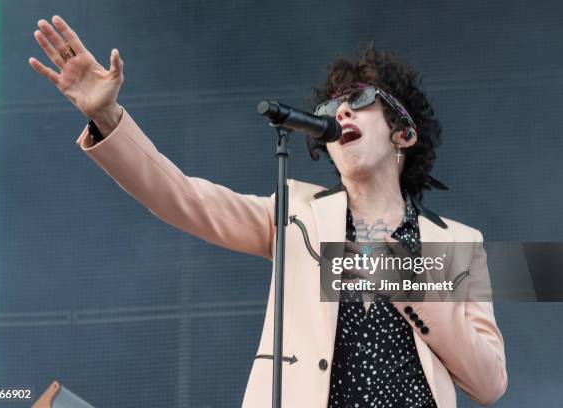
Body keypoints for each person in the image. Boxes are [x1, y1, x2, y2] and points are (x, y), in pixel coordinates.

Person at [29, 15, 507, 408]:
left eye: (359, 100)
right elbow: (181, 198)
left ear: (403, 132)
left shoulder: (458, 245)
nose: (340, 113)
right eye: (332, 105)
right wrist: (108, 116)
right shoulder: (296, 214)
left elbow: (489, 384)